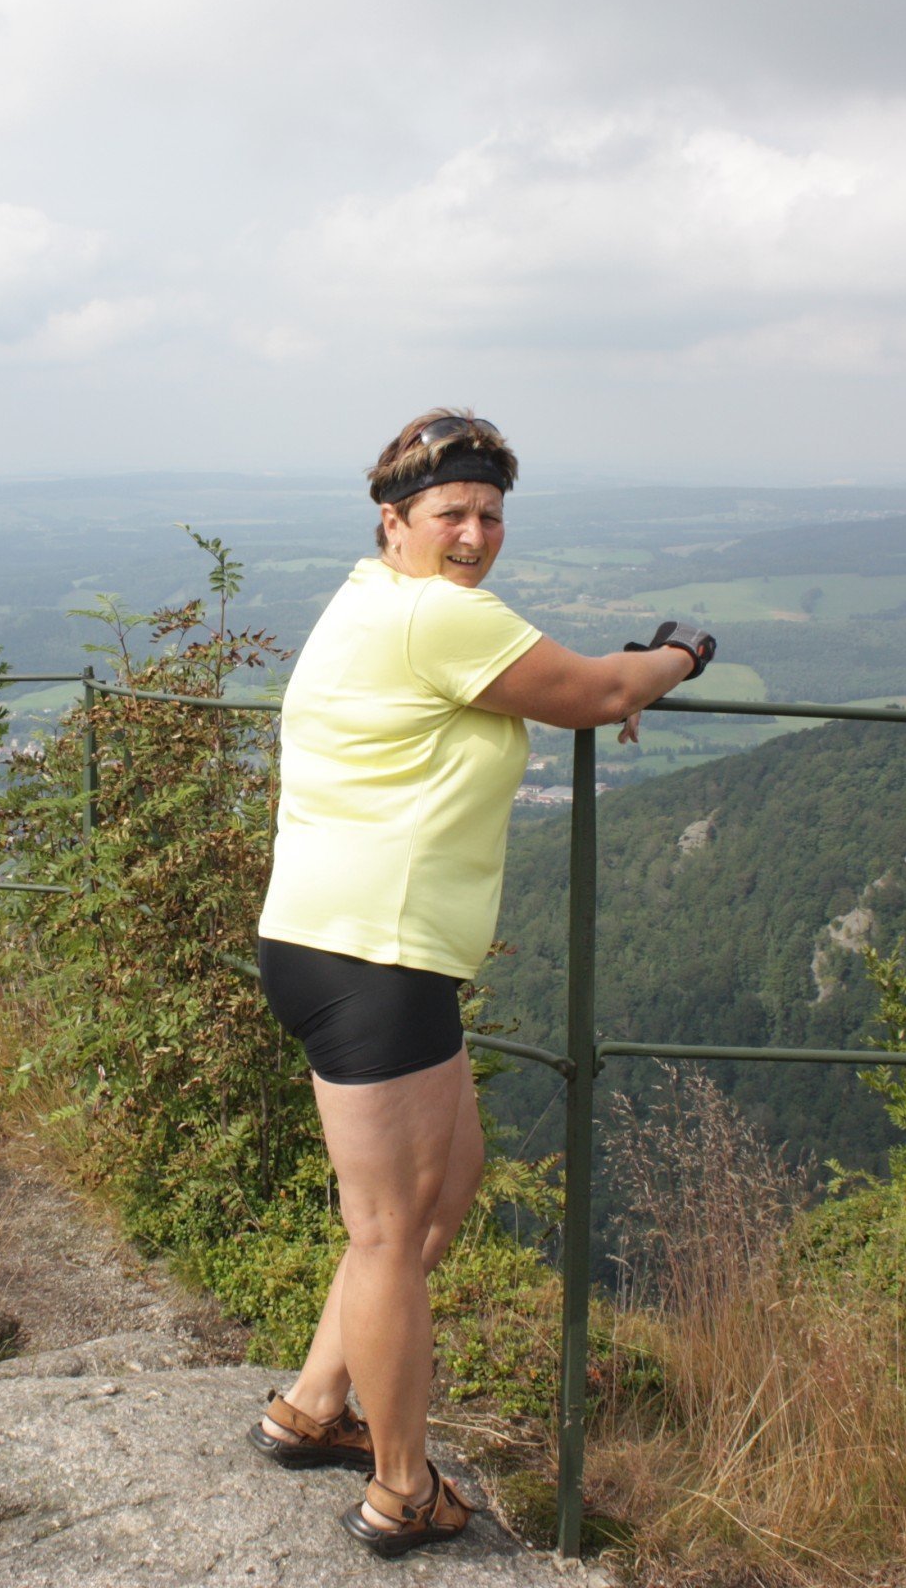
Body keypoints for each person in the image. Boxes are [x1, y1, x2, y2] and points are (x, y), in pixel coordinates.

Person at [249, 410, 714, 1556]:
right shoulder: (434, 615)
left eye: (491, 514)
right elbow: (599, 692)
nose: (474, 534)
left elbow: (537, 691)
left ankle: (315, 1404)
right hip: (373, 954)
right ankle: (403, 1489)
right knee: (390, 1230)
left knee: (450, 1178)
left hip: (358, 943)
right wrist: (680, 655)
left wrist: (618, 678)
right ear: (395, 521)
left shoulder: (372, 599)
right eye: (451, 512)